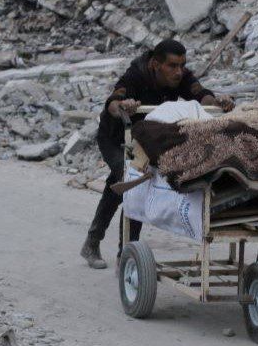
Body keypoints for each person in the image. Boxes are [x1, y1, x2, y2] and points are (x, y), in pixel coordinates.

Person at [81, 39, 234, 269]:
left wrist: (219, 102)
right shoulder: (136, 75)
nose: (178, 71)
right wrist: (123, 104)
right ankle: (120, 252)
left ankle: (107, 248)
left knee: (122, 185)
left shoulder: (181, 77)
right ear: (155, 64)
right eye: (172, 66)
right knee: (131, 184)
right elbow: (112, 102)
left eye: (181, 65)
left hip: (147, 141)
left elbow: (201, 94)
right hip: (116, 138)